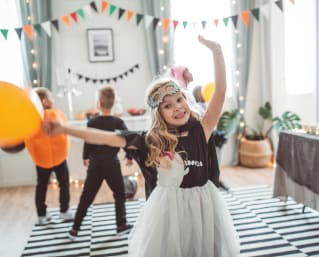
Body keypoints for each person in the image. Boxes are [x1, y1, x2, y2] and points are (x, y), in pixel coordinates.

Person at [43, 35, 240, 256]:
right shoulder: (150, 140)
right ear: (159, 113)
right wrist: (65, 129)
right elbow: (104, 137)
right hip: (168, 213)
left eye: (179, 99)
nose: (177, 107)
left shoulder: (200, 130)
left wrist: (217, 51)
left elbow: (220, 92)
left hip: (203, 207)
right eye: (168, 105)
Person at [69, 86, 133, 240]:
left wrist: (86, 157)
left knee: (87, 196)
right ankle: (121, 225)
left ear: (98, 103)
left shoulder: (92, 121)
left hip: (95, 164)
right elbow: (128, 139)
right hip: (111, 164)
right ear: (114, 102)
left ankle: (75, 229)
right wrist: (129, 156)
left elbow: (88, 140)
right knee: (119, 195)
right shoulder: (118, 121)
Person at [24, 87, 74, 225]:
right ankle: (64, 211)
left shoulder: (32, 117)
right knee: (63, 184)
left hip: (42, 159)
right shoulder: (55, 114)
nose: (53, 100)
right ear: (45, 101)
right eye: (51, 97)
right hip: (59, 157)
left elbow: (28, 137)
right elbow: (64, 128)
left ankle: (41, 215)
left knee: (41, 186)